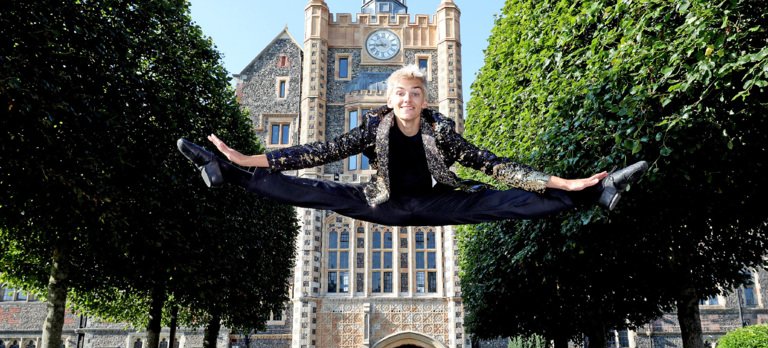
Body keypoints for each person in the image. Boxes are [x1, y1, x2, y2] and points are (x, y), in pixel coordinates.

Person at [177, 65, 647, 226]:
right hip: (383, 202)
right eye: (400, 93)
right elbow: (313, 152)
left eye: (415, 93)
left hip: (437, 202)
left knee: (504, 202)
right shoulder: (371, 129)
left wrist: (564, 180)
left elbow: (494, 165)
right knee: (316, 190)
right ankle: (226, 172)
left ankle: (595, 191)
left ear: (424, 99)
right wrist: (245, 156)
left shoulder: (440, 130)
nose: (407, 99)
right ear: (390, 100)